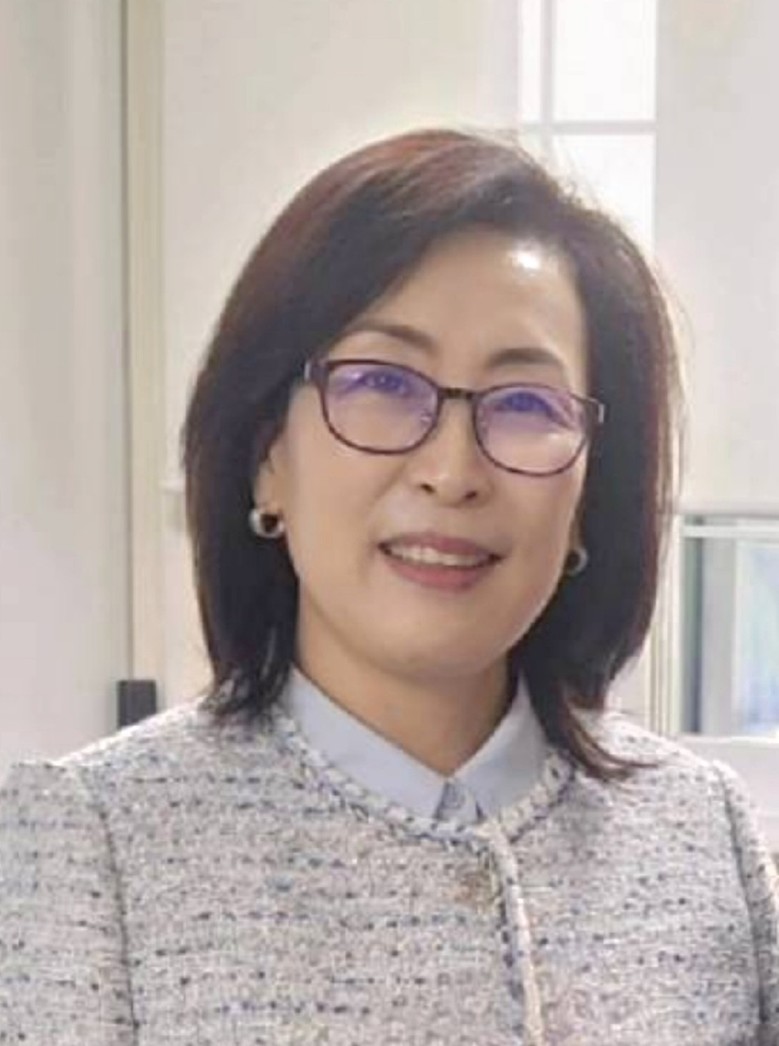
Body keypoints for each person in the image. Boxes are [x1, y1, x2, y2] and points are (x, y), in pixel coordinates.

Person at [0, 128, 777, 1046]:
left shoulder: (701, 830)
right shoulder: (88, 841)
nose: (451, 472)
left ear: (584, 504)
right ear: (267, 460)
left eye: (526, 404)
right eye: (379, 381)